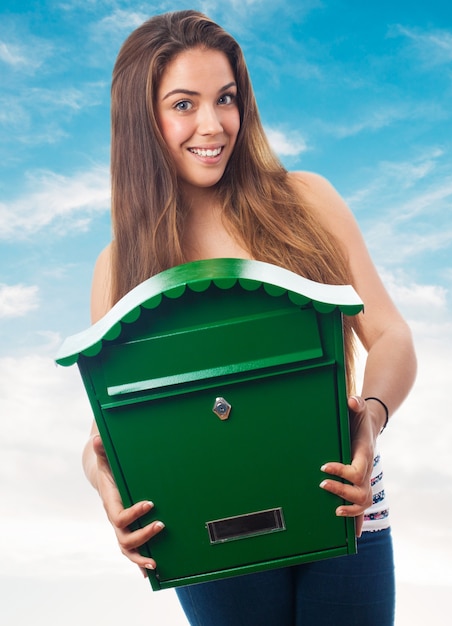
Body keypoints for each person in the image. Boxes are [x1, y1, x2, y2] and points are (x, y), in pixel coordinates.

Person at [82, 10, 416, 626]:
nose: (212, 125)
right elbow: (110, 433)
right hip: (208, 530)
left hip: (341, 501)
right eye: (184, 104)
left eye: (226, 99)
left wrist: (369, 420)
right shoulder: (118, 266)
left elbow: (392, 335)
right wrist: (106, 488)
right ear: (142, 119)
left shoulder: (307, 200)